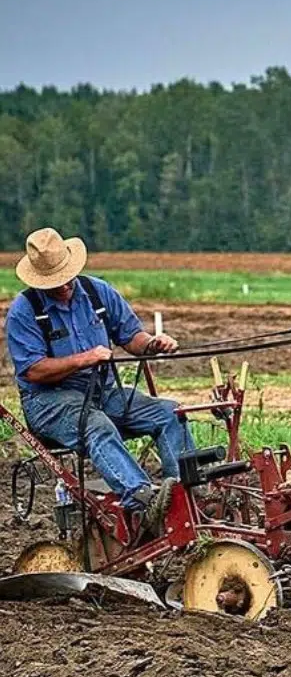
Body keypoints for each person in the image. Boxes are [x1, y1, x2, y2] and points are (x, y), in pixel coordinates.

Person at [4, 227, 192, 530]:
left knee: (170, 413)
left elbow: (131, 337)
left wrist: (153, 344)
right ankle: (142, 501)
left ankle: (187, 497)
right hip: (49, 401)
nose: (64, 286)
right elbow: (33, 370)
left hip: (102, 391)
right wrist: (84, 358)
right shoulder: (24, 311)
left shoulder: (97, 292)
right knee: (96, 424)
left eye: (67, 277)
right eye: (55, 283)